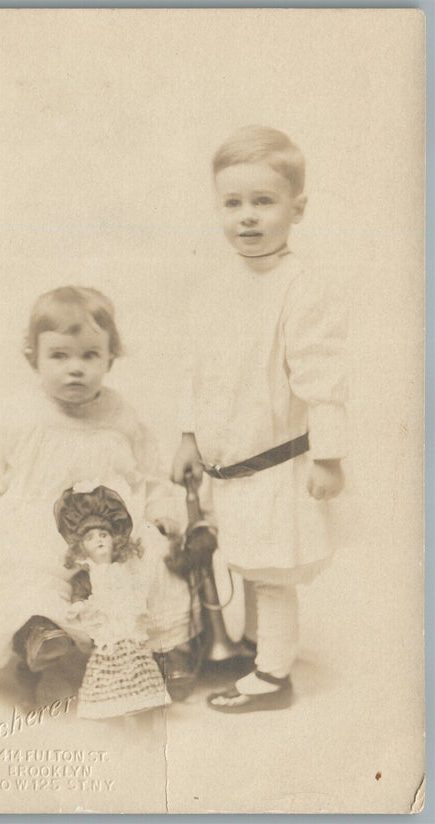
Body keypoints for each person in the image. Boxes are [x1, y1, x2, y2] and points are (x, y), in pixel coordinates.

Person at [171, 125, 348, 712]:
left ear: (297, 208)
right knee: (245, 557)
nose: (247, 217)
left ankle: (272, 675)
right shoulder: (215, 284)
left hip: (277, 464)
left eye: (263, 202)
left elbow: (323, 377)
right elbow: (199, 370)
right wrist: (189, 436)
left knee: (270, 570)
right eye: (233, 203)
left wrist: (329, 455)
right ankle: (251, 647)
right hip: (230, 467)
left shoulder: (302, 287)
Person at [0, 285, 197, 700]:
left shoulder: (121, 415)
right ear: (35, 357)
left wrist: (160, 509)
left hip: (110, 532)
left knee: (150, 564)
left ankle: (161, 651)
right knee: (28, 574)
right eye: (59, 356)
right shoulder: (21, 414)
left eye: (89, 356)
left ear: (110, 357)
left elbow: (150, 472)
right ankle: (41, 642)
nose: (75, 369)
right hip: (37, 528)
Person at [54, 483, 170, 719]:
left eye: (104, 535)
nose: (99, 541)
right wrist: (78, 605)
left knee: (137, 662)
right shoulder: (88, 574)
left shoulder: (123, 569)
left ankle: (141, 703)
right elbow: (80, 593)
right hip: (108, 630)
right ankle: (111, 710)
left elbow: (135, 590)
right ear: (81, 547)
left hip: (127, 625)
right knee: (107, 668)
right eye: (90, 537)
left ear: (115, 541)